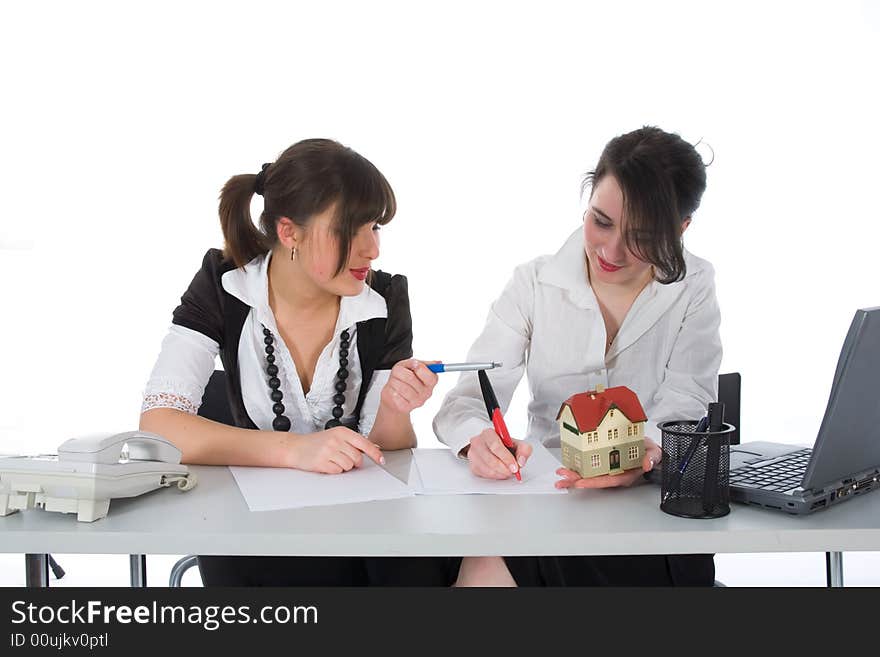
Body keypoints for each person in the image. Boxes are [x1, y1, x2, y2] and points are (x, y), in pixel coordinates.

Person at [140, 138, 457, 586]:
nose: (372, 249)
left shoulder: (384, 299)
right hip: (252, 535)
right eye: (352, 229)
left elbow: (392, 452)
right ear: (290, 232)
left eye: (376, 227)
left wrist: (394, 408)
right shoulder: (223, 283)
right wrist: (296, 451)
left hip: (363, 531)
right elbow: (159, 426)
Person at [433, 126, 721, 586]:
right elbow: (466, 402)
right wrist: (477, 441)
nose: (611, 250)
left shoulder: (693, 287)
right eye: (601, 221)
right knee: (479, 569)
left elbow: (687, 400)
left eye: (642, 236)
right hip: (550, 505)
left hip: (651, 516)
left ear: (680, 228)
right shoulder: (534, 283)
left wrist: (640, 454)